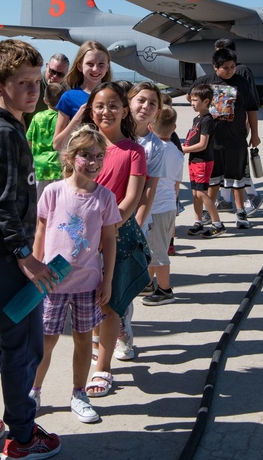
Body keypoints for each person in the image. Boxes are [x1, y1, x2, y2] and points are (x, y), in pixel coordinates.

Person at [0, 39, 61, 460]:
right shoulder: (4, 131)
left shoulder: (0, 125)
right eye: (22, 83)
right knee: (23, 348)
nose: (32, 91)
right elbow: (0, 202)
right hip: (8, 259)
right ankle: (22, 437)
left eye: (36, 83)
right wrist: (26, 255)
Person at [30, 126, 119, 423]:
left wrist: (106, 280)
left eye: (98, 156)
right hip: (51, 283)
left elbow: (108, 240)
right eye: (85, 155)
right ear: (69, 157)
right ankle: (34, 391)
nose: (93, 162)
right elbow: (41, 233)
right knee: (46, 340)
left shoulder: (105, 198)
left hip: (87, 284)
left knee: (83, 340)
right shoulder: (53, 192)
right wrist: (34, 267)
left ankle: (78, 393)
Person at [79, 82, 147, 397]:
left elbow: (132, 197)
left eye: (113, 105)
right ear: (91, 111)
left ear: (124, 110)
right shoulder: (82, 148)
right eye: (100, 106)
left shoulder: (134, 151)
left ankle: (103, 369)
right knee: (88, 303)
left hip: (115, 236)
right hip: (81, 238)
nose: (106, 111)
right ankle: (107, 338)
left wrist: (106, 226)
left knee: (107, 304)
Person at [194, 47, 260, 229]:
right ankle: (209, 211)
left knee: (238, 178)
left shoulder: (242, 83)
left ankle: (240, 212)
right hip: (213, 142)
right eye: (225, 67)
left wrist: (254, 134)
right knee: (214, 179)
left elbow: (252, 109)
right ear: (215, 67)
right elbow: (191, 96)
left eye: (232, 66)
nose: (230, 70)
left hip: (236, 140)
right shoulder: (206, 82)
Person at [213, 38, 263, 216]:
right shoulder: (220, 77)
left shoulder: (241, 72)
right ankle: (226, 200)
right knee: (227, 168)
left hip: (238, 130)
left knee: (239, 168)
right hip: (224, 132)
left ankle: (252, 195)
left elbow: (251, 103)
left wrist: (249, 129)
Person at [143, 105, 184, 305]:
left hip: (156, 207)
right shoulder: (177, 152)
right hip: (168, 205)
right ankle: (148, 282)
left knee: (158, 252)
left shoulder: (151, 149)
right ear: (174, 127)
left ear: (150, 127)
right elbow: (176, 183)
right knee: (153, 248)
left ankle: (165, 289)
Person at [52, 41, 112, 151]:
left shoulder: (115, 97)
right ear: (79, 66)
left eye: (101, 64)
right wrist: (77, 119)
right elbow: (57, 145)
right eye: (90, 64)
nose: (95, 69)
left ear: (107, 67)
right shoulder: (68, 98)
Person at [182, 84, 223, 237]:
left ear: (206, 101)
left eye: (195, 100)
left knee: (201, 193)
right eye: (191, 100)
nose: (192, 103)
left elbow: (202, 144)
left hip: (203, 161)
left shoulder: (207, 120)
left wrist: (184, 149)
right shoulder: (197, 118)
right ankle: (198, 221)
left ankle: (217, 223)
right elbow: (193, 139)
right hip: (194, 160)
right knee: (195, 193)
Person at [127, 81, 166, 236]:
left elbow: (150, 188)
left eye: (152, 103)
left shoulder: (155, 145)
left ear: (157, 112)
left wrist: (138, 223)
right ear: (129, 102)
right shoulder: (113, 134)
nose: (145, 106)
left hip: (135, 217)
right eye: (141, 100)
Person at [27, 82, 67, 197]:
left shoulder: (37, 117)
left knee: (40, 205)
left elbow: (28, 141)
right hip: (58, 167)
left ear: (45, 100)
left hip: (39, 168)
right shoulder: (63, 119)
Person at [26, 53, 70, 124]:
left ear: (66, 74)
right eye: (52, 71)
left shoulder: (67, 92)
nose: (55, 76)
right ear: (47, 66)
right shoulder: (33, 84)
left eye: (60, 74)